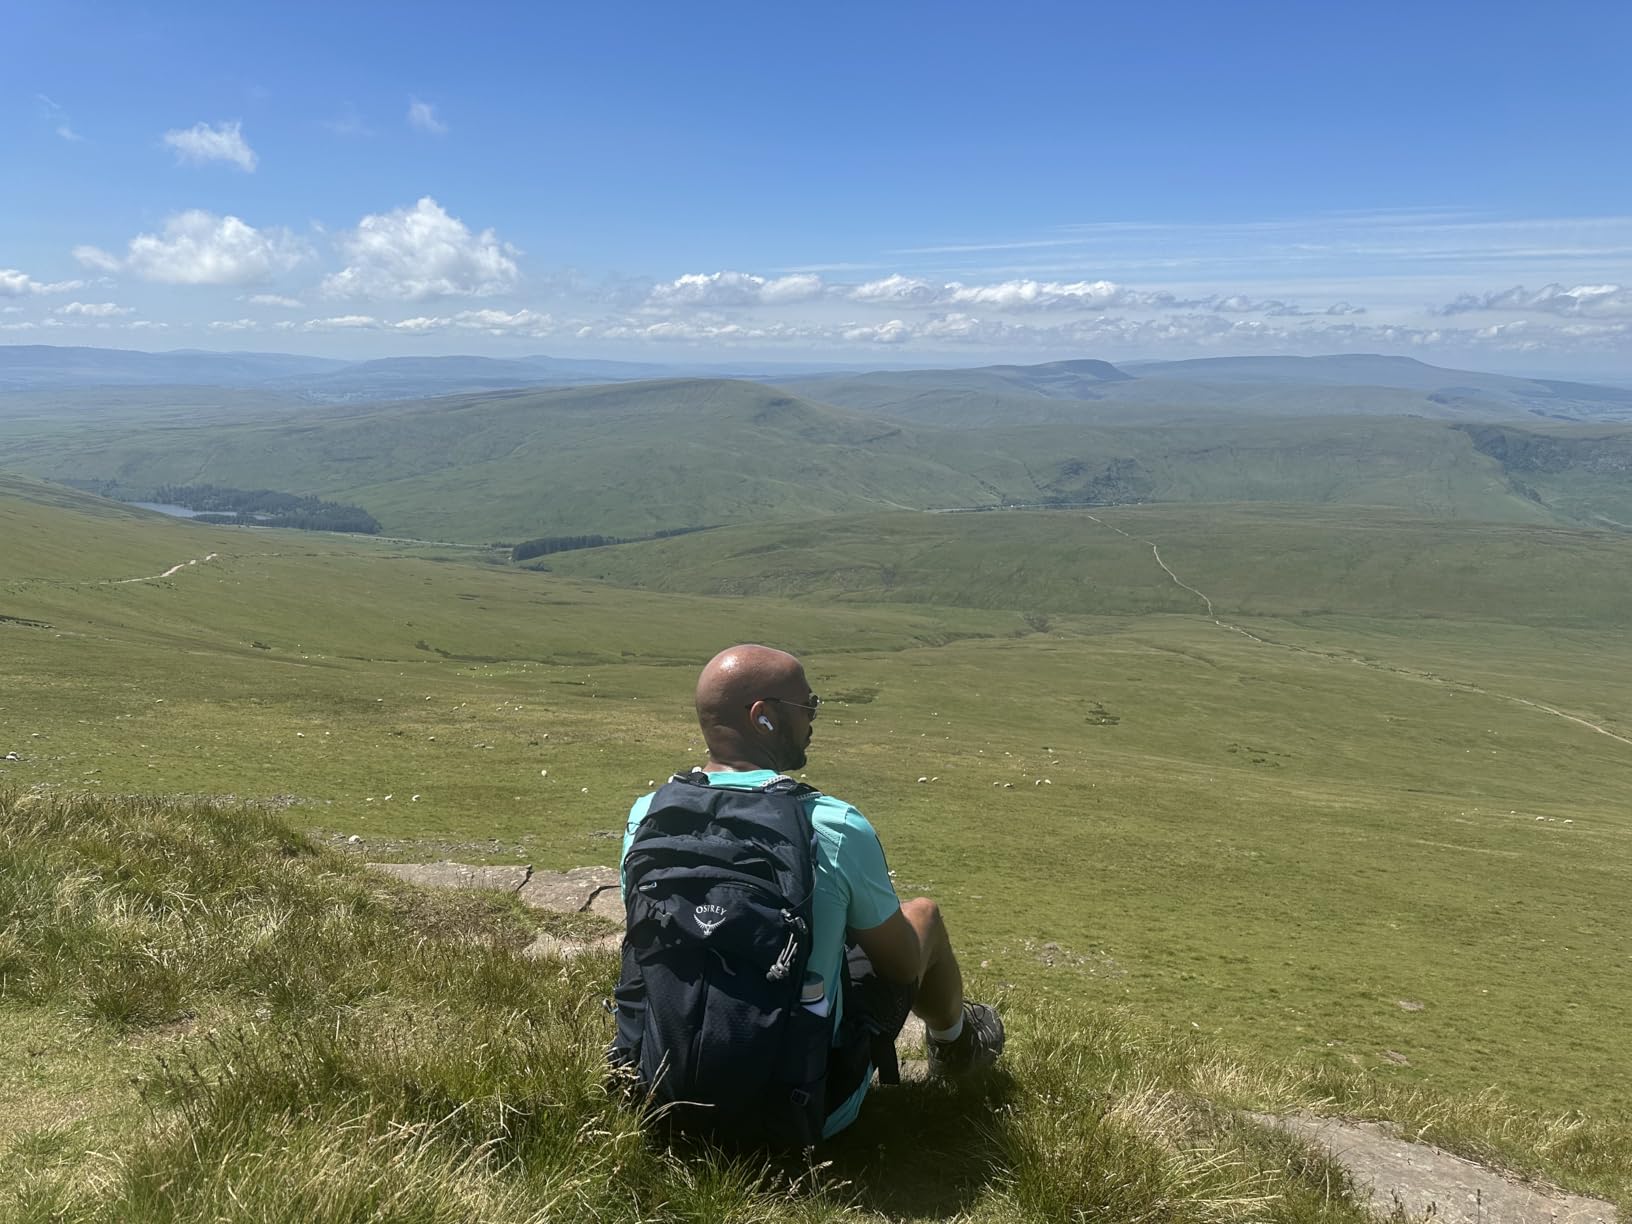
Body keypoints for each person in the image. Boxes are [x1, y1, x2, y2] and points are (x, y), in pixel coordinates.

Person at [620, 643, 1004, 1139]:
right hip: (801, 1109)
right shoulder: (833, 824)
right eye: (807, 706)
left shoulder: (647, 814)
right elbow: (902, 966)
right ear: (763, 718)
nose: (813, 719)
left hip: (657, 1096)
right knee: (922, 917)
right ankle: (956, 1047)